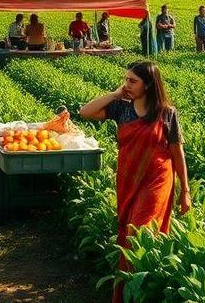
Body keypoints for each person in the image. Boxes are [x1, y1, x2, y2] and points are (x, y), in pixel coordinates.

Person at [77, 61, 190, 303]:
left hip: (158, 180)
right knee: (129, 232)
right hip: (129, 179)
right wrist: (115, 94)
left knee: (138, 233)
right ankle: (136, 290)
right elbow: (85, 112)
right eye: (126, 79)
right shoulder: (121, 108)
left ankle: (135, 290)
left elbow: (177, 153)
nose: (126, 84)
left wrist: (185, 190)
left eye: (132, 81)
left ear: (148, 85)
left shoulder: (166, 113)